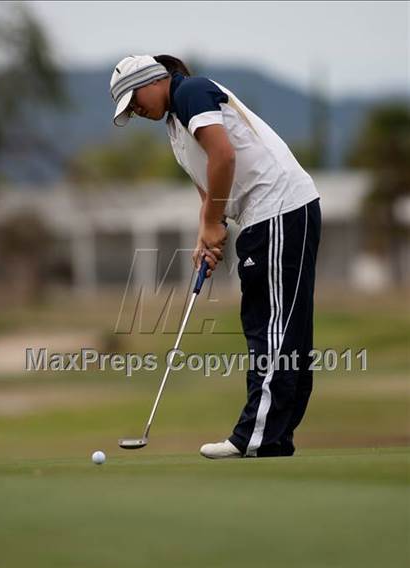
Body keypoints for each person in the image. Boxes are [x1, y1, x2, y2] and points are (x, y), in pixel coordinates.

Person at [110, 54, 321, 459]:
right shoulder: (176, 125)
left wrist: (212, 221)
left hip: (278, 208)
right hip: (269, 215)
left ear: (154, 79)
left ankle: (256, 436)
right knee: (279, 326)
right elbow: (211, 188)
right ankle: (274, 436)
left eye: (134, 99)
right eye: (128, 109)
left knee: (271, 326)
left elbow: (224, 157)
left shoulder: (190, 91)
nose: (135, 110)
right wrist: (207, 232)